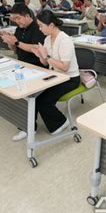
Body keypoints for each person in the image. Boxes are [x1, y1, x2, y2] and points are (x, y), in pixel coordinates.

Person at [25, 10, 81, 139]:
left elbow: (65, 67)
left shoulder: (65, 40)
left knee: (43, 101)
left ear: (50, 25)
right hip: (56, 76)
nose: (39, 29)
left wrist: (47, 56)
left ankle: (61, 122)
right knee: (34, 95)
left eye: (41, 26)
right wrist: (40, 55)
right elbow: (45, 63)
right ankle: (29, 126)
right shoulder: (47, 39)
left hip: (70, 79)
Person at [1, 3, 46, 69]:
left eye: (18, 18)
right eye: (14, 19)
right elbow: (14, 48)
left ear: (27, 16)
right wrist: (10, 41)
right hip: (21, 64)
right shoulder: (19, 28)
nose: (17, 21)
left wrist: (17, 42)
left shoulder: (38, 28)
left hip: (36, 66)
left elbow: (37, 48)